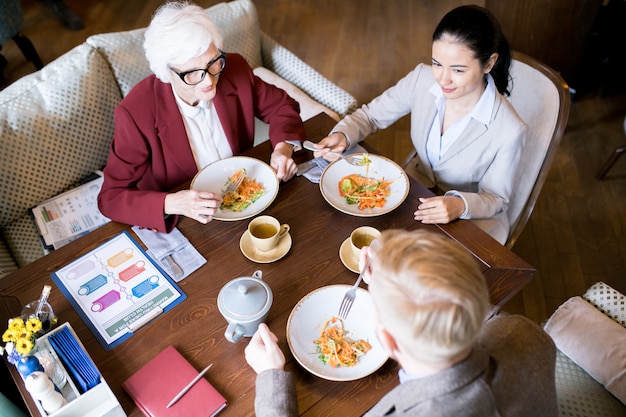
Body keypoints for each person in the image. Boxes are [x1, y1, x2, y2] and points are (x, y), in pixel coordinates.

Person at [244, 229, 558, 417]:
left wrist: (271, 377)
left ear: (388, 342)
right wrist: (404, 282)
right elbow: (492, 318)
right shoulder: (527, 333)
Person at [311, 5, 526, 244]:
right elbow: (370, 116)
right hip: (414, 191)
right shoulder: (421, 79)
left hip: (469, 222)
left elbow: (496, 198)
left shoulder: (510, 130)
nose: (443, 79)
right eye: (437, 63)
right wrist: (343, 134)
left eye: (457, 70)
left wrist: (459, 204)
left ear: (488, 64)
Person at [98, 1, 306, 233]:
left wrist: (283, 148)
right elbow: (111, 197)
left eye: (212, 63)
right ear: (167, 72)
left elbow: (282, 106)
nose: (208, 81)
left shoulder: (234, 68)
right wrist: (174, 202)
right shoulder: (136, 112)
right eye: (193, 74)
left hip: (246, 203)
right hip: (190, 223)